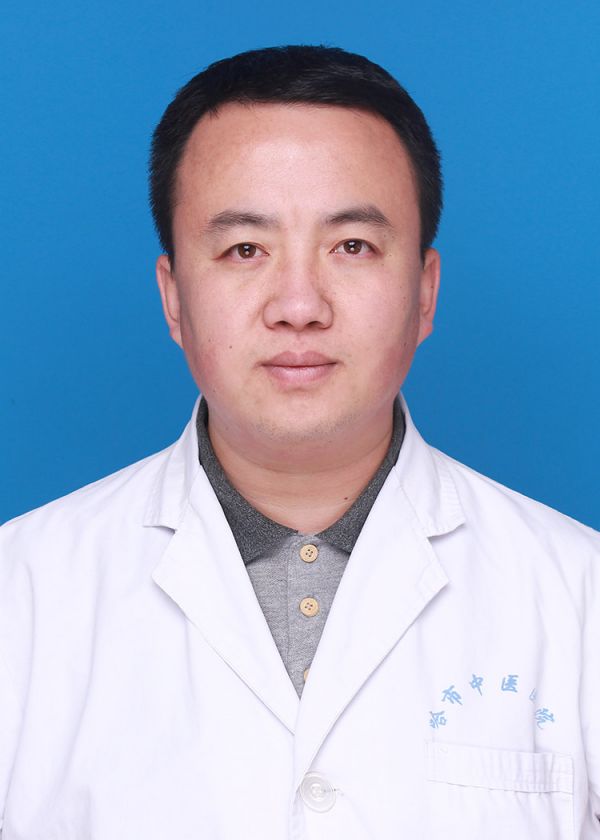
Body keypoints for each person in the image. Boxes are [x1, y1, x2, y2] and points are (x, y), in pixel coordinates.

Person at [0, 44, 598, 840]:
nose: (299, 304)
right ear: (174, 298)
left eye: (352, 246)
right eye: (245, 249)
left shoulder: (579, 597)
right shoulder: (22, 595)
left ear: (424, 292)